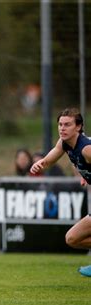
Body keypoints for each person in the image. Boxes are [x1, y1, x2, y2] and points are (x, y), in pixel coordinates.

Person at [30, 108, 91, 277]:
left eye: (68, 125)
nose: (62, 128)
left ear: (78, 127)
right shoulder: (64, 143)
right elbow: (49, 160)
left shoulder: (86, 149)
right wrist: (40, 164)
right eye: (60, 124)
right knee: (72, 238)